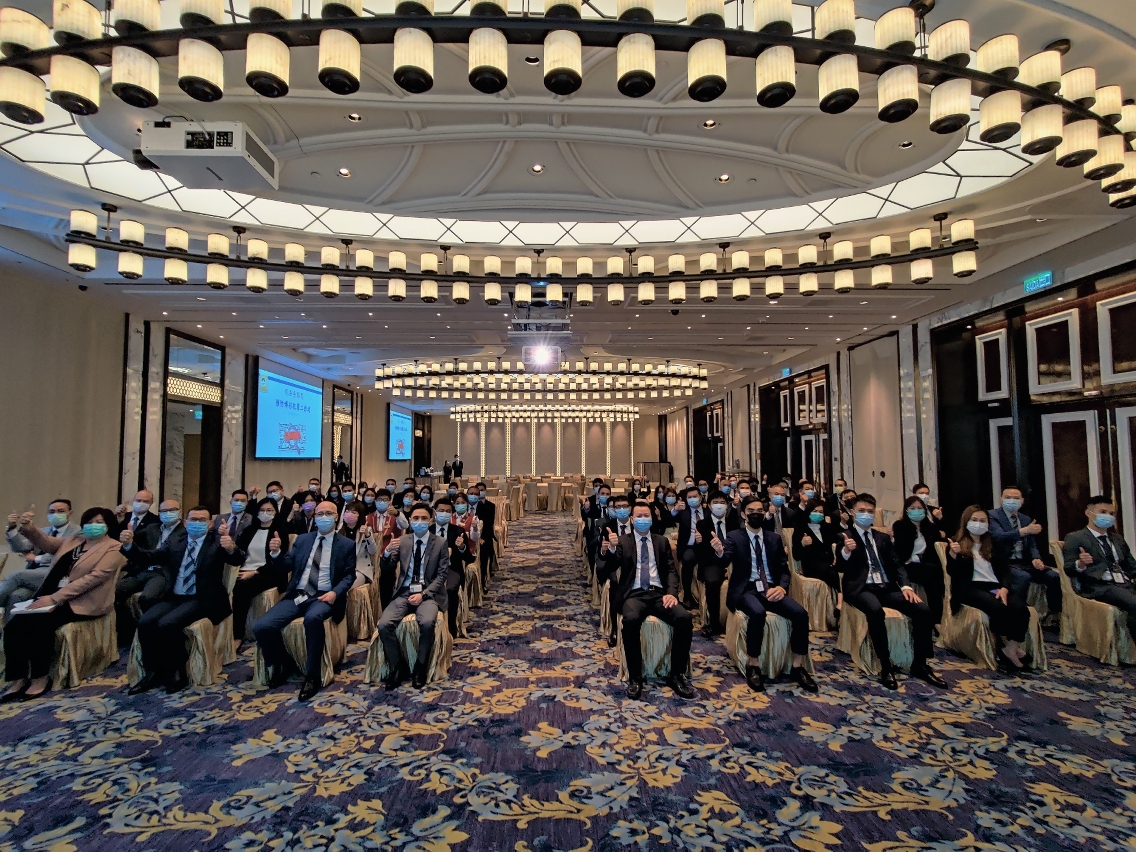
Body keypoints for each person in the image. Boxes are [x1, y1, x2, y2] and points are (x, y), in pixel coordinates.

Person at [1, 507, 124, 702]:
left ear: (108, 525)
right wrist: (28, 527)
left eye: (99, 522)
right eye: (89, 522)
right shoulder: (75, 539)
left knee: (37, 625)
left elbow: (92, 580)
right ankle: (18, 679)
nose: (93, 526)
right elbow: (47, 543)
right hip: (50, 595)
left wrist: (55, 598)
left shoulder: (114, 547)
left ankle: (40, 678)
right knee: (13, 626)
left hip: (82, 601)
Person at [126, 507, 245, 694]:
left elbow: (237, 560)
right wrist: (129, 546)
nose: (197, 523)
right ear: (185, 523)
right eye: (193, 519)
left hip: (202, 598)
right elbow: (150, 557)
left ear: (210, 524)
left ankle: (177, 671)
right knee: (145, 622)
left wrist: (231, 548)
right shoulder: (175, 541)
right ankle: (152, 672)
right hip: (175, 595)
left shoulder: (216, 542)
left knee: (168, 623)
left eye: (202, 520)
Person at [839, 493, 946, 690]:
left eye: (870, 511)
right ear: (853, 512)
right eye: (861, 511)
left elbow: (897, 565)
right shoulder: (846, 536)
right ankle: (885, 665)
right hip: (861, 588)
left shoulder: (882, 537)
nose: (866, 514)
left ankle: (920, 664)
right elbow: (839, 564)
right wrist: (846, 552)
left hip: (886, 587)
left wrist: (905, 586)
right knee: (875, 610)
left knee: (922, 610)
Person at [254, 501, 356, 701]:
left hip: (324, 595)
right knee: (262, 626)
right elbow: (285, 566)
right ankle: (282, 663)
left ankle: (312, 675)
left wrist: (335, 593)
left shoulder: (346, 544)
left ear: (336, 517)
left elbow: (349, 576)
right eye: (320, 514)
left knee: (313, 619)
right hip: (298, 594)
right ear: (314, 517)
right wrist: (276, 554)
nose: (324, 517)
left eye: (328, 513)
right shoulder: (302, 540)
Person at [717, 495, 817, 693]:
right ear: (744, 515)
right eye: (751, 512)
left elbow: (784, 569)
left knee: (800, 614)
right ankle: (753, 665)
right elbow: (724, 560)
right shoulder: (734, 536)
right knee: (757, 612)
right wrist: (719, 552)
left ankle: (798, 666)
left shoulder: (774, 538)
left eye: (759, 512)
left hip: (771, 588)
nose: (756, 515)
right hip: (746, 589)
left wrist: (781, 588)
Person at [597, 501, 694, 699]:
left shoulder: (661, 541)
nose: (643, 519)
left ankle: (676, 674)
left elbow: (671, 571)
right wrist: (612, 549)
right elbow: (611, 567)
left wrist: (671, 593)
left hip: (659, 594)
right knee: (631, 620)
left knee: (684, 618)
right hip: (634, 594)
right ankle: (635, 676)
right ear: (632, 520)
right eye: (639, 516)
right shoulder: (623, 541)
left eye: (646, 516)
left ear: (652, 518)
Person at [947, 506, 1033, 671]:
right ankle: (1003, 645)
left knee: (1021, 609)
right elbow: (953, 573)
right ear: (966, 522)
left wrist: (1005, 588)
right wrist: (953, 555)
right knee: (998, 608)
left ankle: (1011, 647)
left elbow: (1005, 570)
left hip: (995, 586)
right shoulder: (956, 543)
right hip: (970, 588)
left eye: (982, 521)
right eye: (974, 520)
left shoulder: (994, 543)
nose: (978, 524)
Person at [377, 502, 449, 690]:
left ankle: (420, 666)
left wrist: (423, 595)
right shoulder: (403, 541)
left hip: (428, 593)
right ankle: (398, 666)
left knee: (427, 622)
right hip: (404, 592)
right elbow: (387, 568)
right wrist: (386, 553)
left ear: (431, 520)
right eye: (416, 518)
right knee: (384, 625)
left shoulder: (440, 543)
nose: (419, 521)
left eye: (424, 518)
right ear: (409, 520)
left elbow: (442, 575)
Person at [1063, 495, 1136, 640]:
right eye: (1103, 512)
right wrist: (1081, 563)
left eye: (1111, 513)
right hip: (1099, 586)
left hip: (1124, 583)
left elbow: (1131, 566)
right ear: (1089, 513)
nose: (1108, 516)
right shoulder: (1075, 538)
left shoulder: (1117, 539)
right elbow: (1069, 568)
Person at [114, 498, 184, 647]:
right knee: (113, 592)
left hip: (163, 572)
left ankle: (149, 635)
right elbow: (132, 540)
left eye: (172, 510)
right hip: (143, 569)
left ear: (180, 512)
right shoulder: (152, 528)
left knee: (147, 597)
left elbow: (165, 556)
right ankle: (127, 634)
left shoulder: (184, 532)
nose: (168, 513)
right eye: (164, 511)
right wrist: (127, 541)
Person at [989, 486, 1062, 623]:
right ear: (1001, 499)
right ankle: (1018, 613)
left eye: (1016, 498)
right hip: (1005, 562)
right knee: (1023, 577)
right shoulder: (992, 516)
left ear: (1022, 501)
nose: (1012, 501)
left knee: (1053, 576)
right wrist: (1024, 531)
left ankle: (1053, 614)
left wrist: (1036, 558)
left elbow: (1032, 544)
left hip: (1024, 562)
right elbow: (999, 536)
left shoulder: (1025, 519)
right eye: (1008, 497)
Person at [2, 499, 80, 618]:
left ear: (70, 512)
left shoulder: (77, 532)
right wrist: (12, 528)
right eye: (52, 512)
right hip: (36, 574)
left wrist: (37, 558)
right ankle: (10, 629)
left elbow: (65, 555)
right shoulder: (43, 531)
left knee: (16, 576)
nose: (56, 514)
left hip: (58, 573)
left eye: (60, 511)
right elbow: (20, 547)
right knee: (16, 596)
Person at [231, 497, 291, 645]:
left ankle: (238, 635)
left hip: (268, 572)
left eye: (269, 510)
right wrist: (230, 548)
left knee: (241, 590)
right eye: (262, 510)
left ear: (275, 512)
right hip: (244, 569)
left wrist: (254, 572)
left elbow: (278, 561)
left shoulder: (279, 532)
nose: (265, 513)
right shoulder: (249, 530)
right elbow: (239, 554)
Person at [892, 495, 946, 627]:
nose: (916, 511)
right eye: (912, 508)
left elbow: (937, 546)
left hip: (926, 564)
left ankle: (939, 618)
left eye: (919, 508)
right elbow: (902, 552)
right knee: (932, 574)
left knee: (935, 573)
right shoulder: (900, 526)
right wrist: (917, 557)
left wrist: (940, 521)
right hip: (908, 565)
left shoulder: (930, 527)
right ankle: (935, 620)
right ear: (906, 510)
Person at [792, 498, 843, 618]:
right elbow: (796, 555)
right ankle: (840, 603)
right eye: (815, 511)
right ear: (809, 511)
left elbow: (836, 542)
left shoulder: (826, 528)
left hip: (828, 563)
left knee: (842, 569)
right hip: (811, 564)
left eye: (821, 512)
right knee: (832, 573)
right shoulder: (800, 529)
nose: (818, 514)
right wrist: (802, 544)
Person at [597, 493, 636, 647]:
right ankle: (614, 629)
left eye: (624, 507)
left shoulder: (637, 524)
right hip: (616, 566)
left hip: (637, 564)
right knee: (615, 584)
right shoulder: (608, 526)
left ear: (630, 508)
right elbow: (604, 557)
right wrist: (606, 549)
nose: (621, 510)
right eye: (618, 507)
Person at [432, 497, 474, 638]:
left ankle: (451, 628)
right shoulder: (427, 531)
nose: (444, 513)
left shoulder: (458, 531)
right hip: (429, 570)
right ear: (435, 512)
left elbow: (469, 558)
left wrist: (462, 547)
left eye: (448, 511)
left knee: (449, 589)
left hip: (452, 569)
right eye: (441, 511)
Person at [700, 490, 740, 638]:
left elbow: (738, 547)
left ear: (727, 506)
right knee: (712, 582)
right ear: (709, 506)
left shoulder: (733, 523)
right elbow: (702, 551)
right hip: (712, 562)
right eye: (715, 503)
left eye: (722, 502)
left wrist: (729, 564)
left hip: (732, 561)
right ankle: (714, 623)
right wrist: (719, 556)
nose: (719, 505)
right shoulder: (702, 524)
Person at [676, 487, 706, 609]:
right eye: (690, 497)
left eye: (695, 496)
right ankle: (687, 595)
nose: (693, 499)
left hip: (706, 546)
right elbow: (668, 519)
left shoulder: (708, 512)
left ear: (701, 497)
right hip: (689, 546)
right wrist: (675, 510)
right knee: (687, 560)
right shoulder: (683, 513)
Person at [339, 499, 377, 588]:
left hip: (360, 569)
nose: (349, 514)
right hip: (342, 568)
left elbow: (373, 551)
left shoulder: (366, 530)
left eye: (353, 512)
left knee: (345, 586)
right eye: (347, 511)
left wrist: (367, 535)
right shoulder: (340, 530)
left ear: (359, 515)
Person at [468, 483, 497, 580]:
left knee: (484, 545)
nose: (473, 496)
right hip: (465, 537)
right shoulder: (463, 507)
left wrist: (480, 538)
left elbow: (488, 526)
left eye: (476, 494)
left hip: (483, 536)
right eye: (471, 494)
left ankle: (482, 577)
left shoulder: (487, 507)